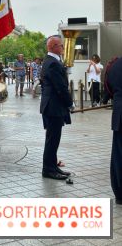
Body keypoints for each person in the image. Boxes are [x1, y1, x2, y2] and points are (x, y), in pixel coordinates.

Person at [40, 36, 73, 180]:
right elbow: (60, 87)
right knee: (52, 140)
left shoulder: (53, 61)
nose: (63, 48)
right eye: (61, 46)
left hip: (53, 106)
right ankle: (48, 170)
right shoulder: (52, 63)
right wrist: (70, 103)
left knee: (54, 139)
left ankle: (53, 166)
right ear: (53, 46)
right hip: (53, 106)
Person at [103, 57, 122, 204]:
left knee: (118, 155)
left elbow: (107, 88)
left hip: (119, 114)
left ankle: (119, 193)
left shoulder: (114, 64)